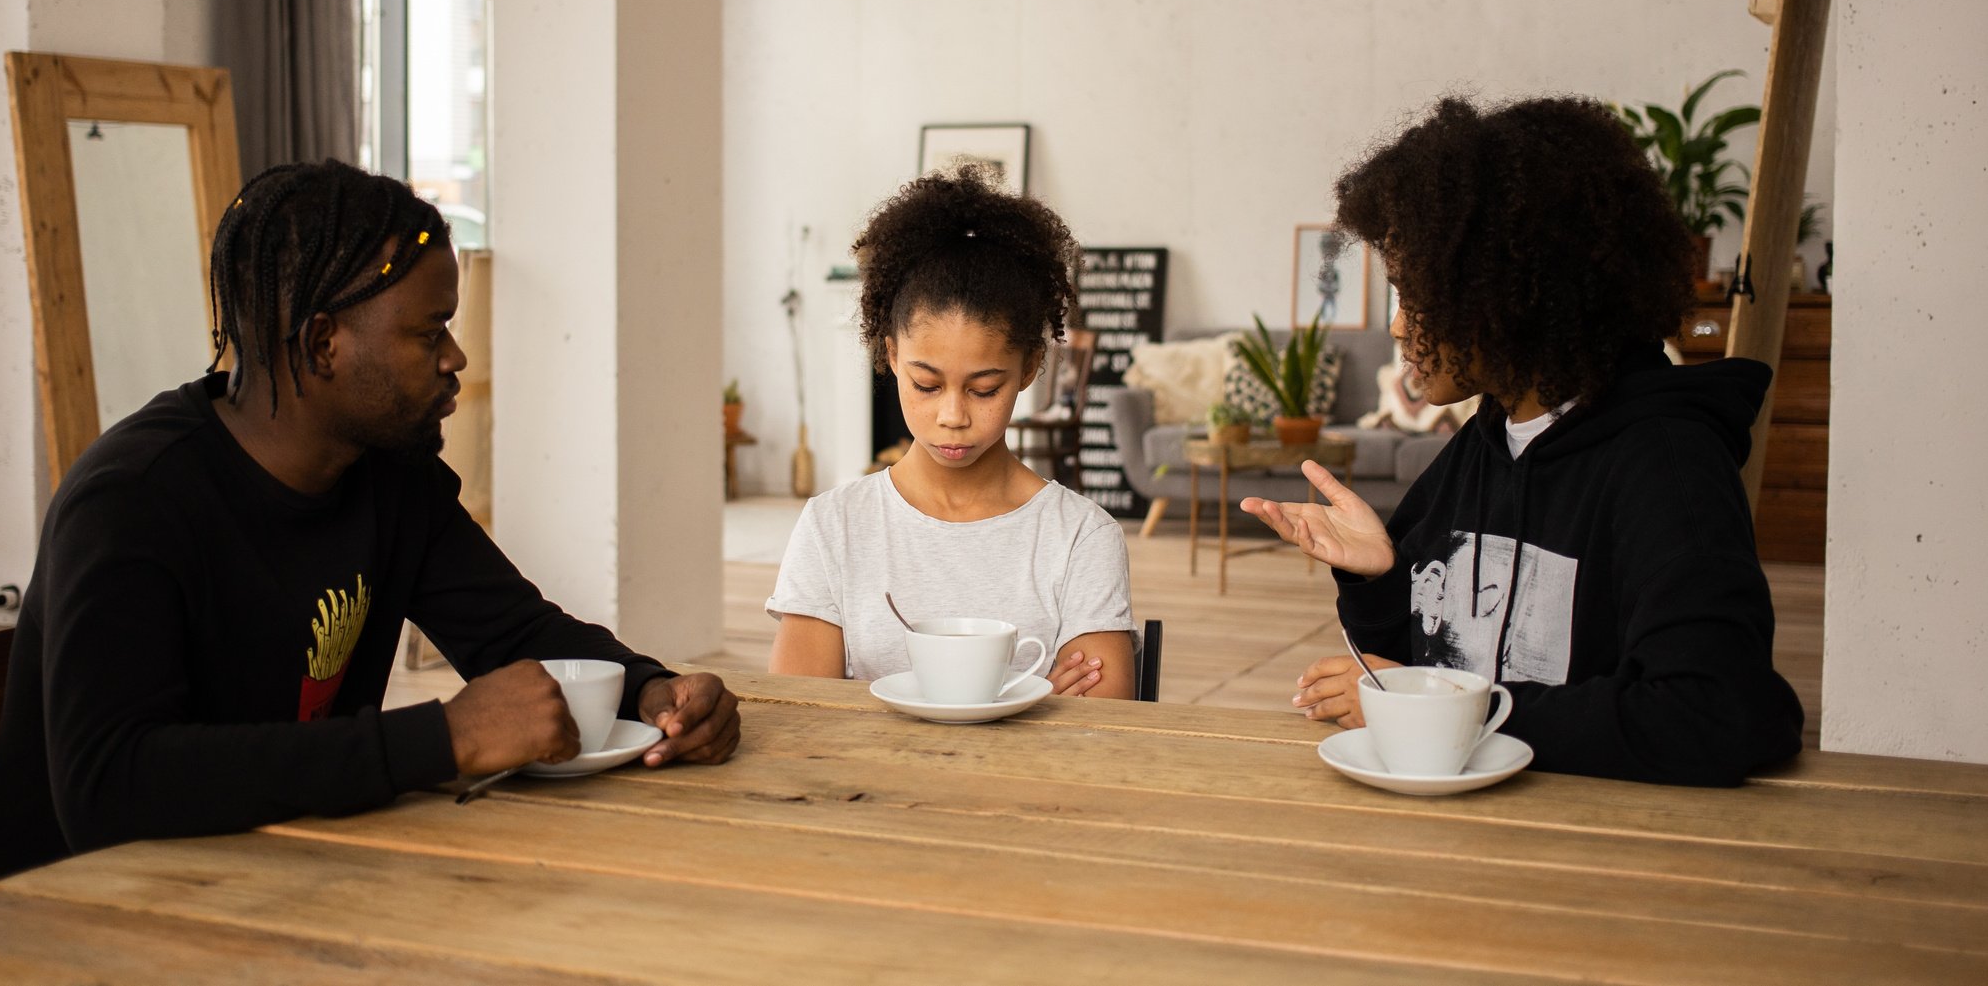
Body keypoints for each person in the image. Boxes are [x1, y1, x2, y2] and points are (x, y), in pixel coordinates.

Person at [0, 161, 740, 884]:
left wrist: (652, 691)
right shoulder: (132, 501)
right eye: (428, 331)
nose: (456, 356)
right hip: (92, 923)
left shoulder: (387, 476)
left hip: (291, 877)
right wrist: (441, 738)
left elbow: (511, 631)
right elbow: (109, 787)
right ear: (323, 345)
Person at [1243, 96, 1804, 785]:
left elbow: (1711, 711)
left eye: (1415, 295)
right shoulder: (1484, 443)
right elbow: (1418, 664)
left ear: (1507, 295)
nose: (1396, 326)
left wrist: (1460, 712)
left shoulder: (1665, 465)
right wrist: (1378, 577)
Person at [767, 166, 1136, 697]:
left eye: (985, 389)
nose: (953, 416)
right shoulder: (834, 527)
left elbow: (1102, 729)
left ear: (1031, 366)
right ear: (891, 355)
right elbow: (801, 715)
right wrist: (1029, 699)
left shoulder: (1081, 537)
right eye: (926, 384)